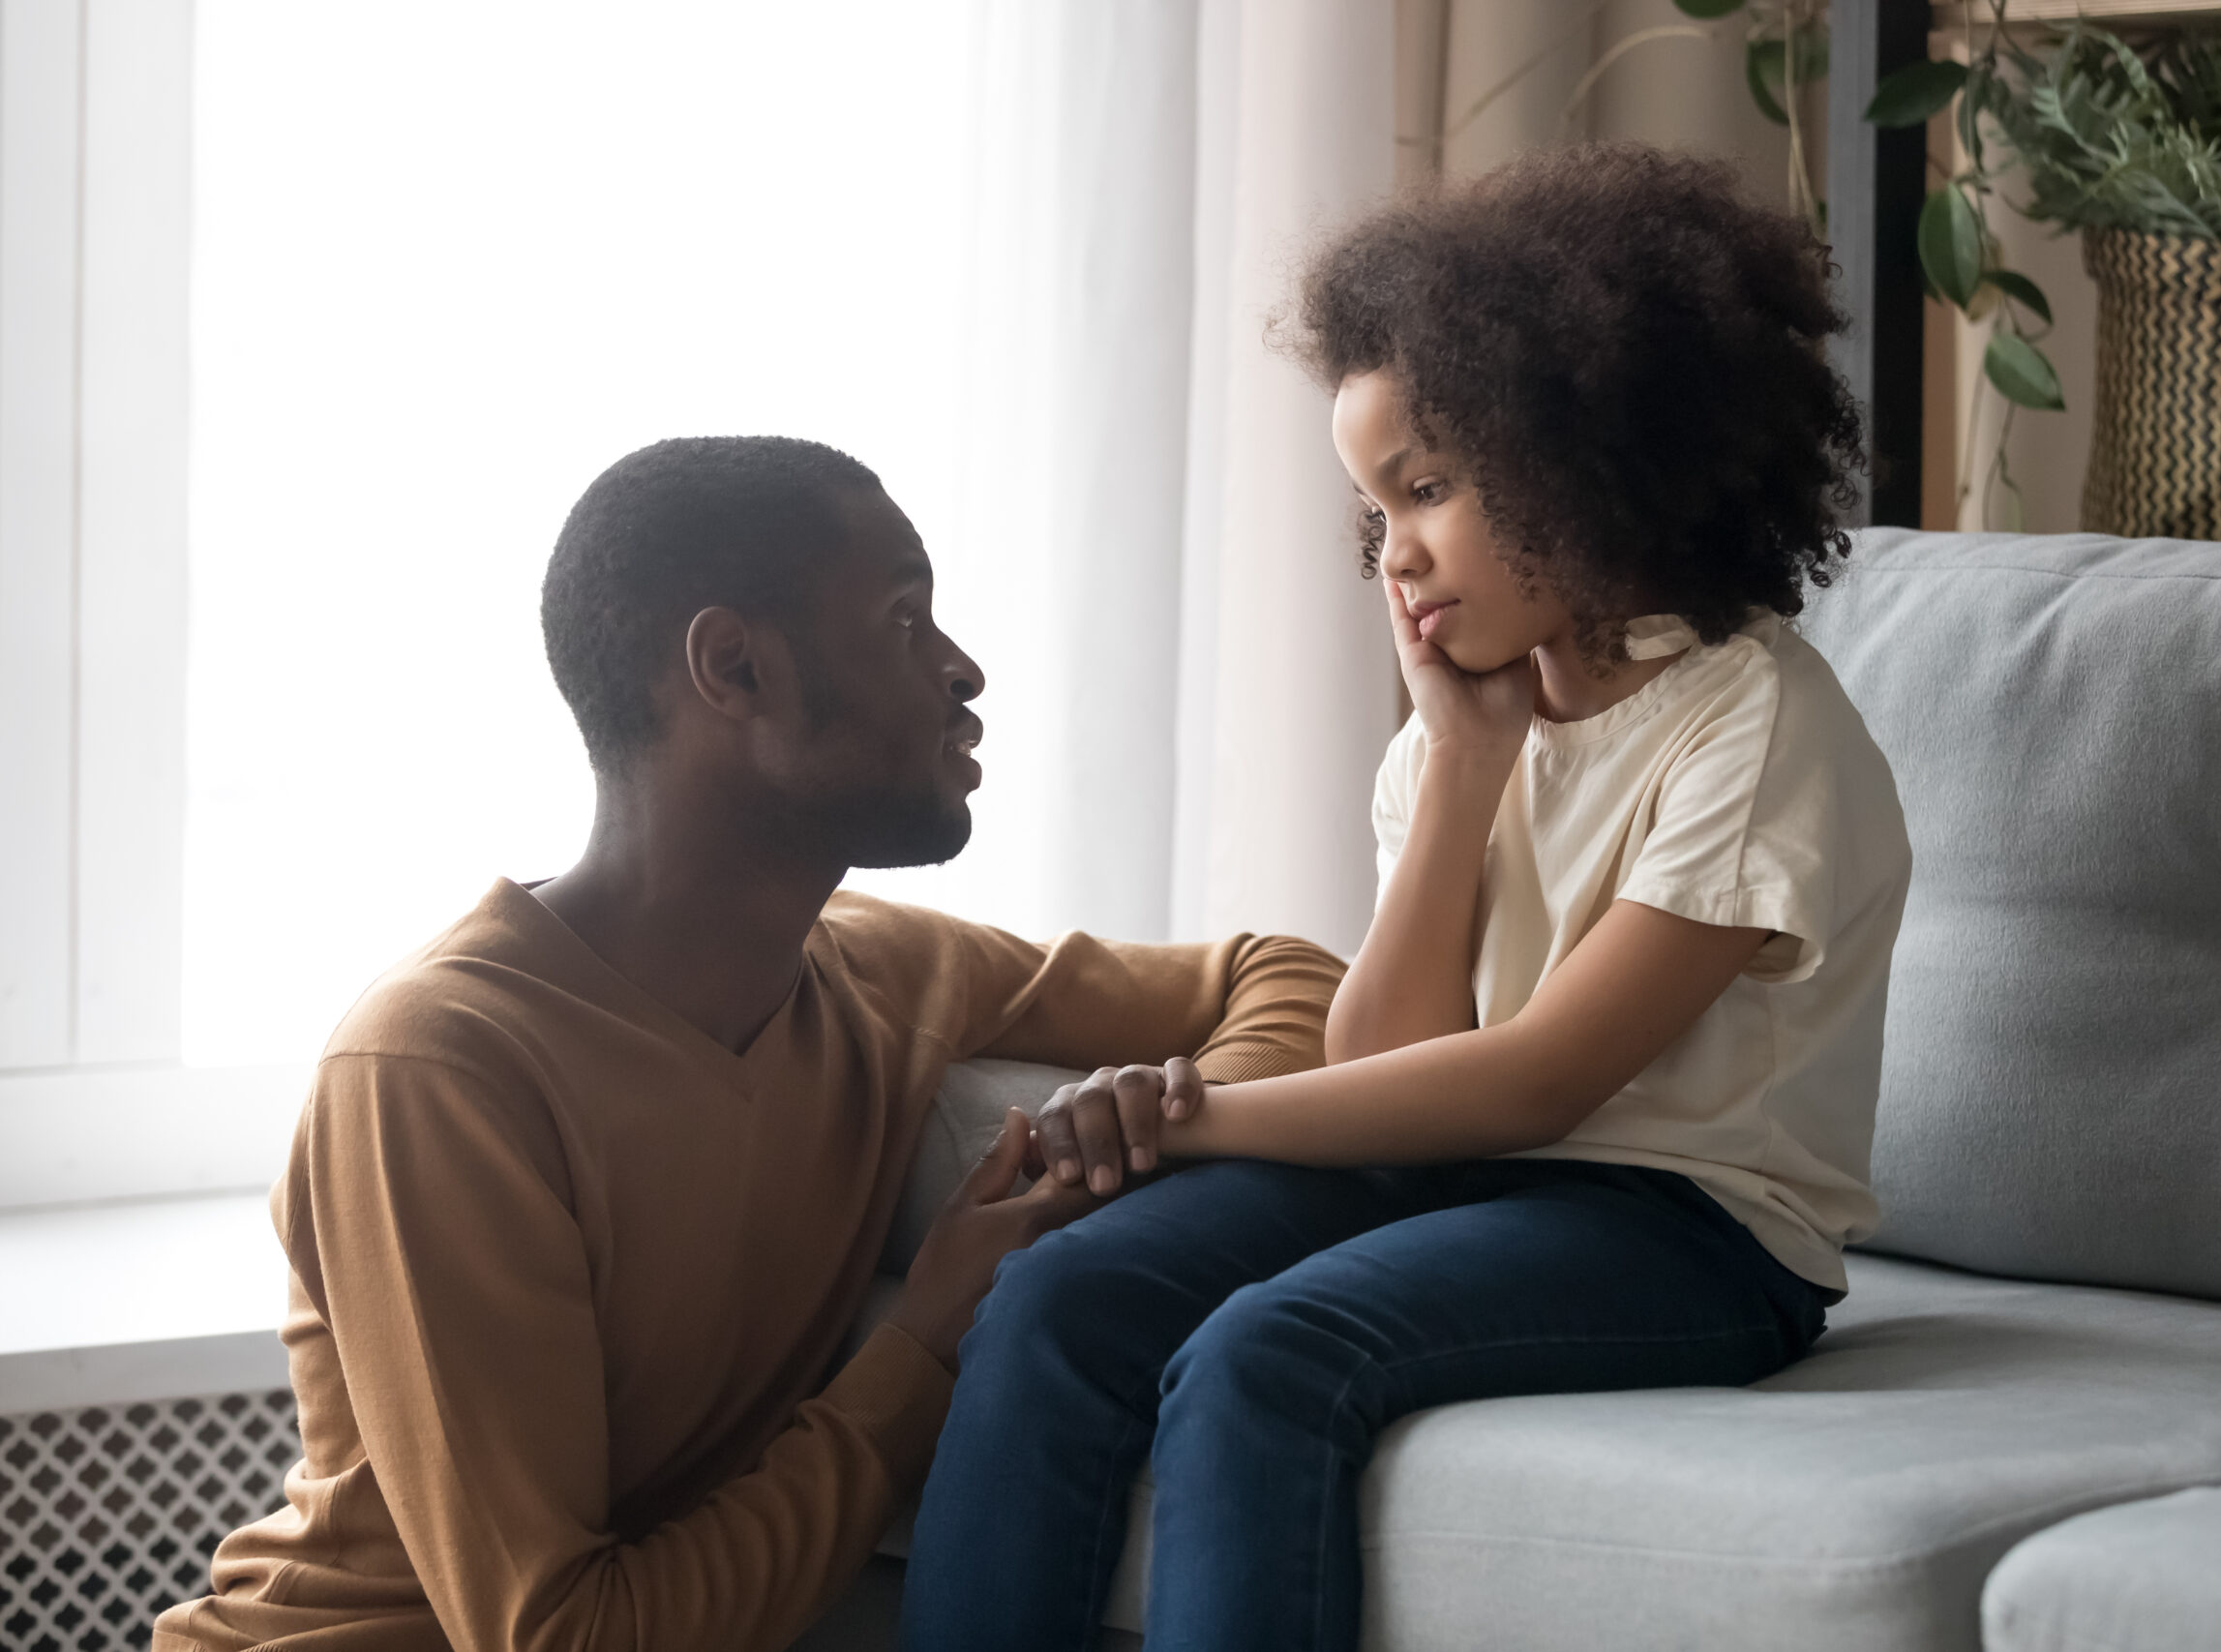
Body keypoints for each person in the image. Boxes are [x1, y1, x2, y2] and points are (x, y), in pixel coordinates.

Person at [901, 143, 1912, 1652]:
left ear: (1579, 448)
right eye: (1375, 512)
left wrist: (1186, 1115)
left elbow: (1541, 1073)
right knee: (1058, 1294)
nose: (1398, 553)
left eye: (1426, 488)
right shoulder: (1462, 733)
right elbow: (1383, 1071)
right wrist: (1458, 764)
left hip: (1694, 1226)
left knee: (1268, 1349)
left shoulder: (1749, 721)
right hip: (1470, 1177)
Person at [153, 436, 1344, 1652]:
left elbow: (1289, 975)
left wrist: (1178, 1121)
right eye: (904, 619)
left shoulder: (884, 971)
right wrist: (919, 1347)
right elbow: (567, 1639)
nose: (964, 670)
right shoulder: (441, 1073)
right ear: (732, 667)